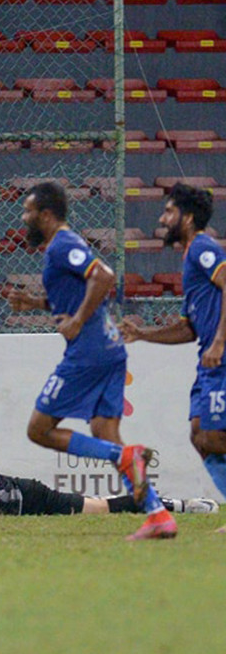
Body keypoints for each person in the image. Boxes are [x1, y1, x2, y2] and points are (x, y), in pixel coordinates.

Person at [6, 181, 176, 539]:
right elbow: (77, 293)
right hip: (110, 349)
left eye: (29, 211)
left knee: (39, 430)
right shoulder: (62, 246)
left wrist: (79, 320)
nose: (24, 218)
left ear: (47, 215)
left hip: (89, 352)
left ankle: (131, 459)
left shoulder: (63, 245)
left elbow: (105, 277)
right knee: (107, 435)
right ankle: (158, 514)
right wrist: (35, 303)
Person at [119, 183, 226, 530]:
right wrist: (142, 334)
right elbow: (188, 330)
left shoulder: (202, 249)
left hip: (221, 357)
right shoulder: (189, 262)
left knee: (212, 435)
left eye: (168, 212)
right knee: (200, 436)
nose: (162, 218)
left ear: (188, 217)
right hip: (209, 361)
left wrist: (220, 342)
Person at [0, 405, 217, 517]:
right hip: (7, 510)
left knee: (99, 508)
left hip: (29, 500)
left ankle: (173, 505)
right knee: (98, 507)